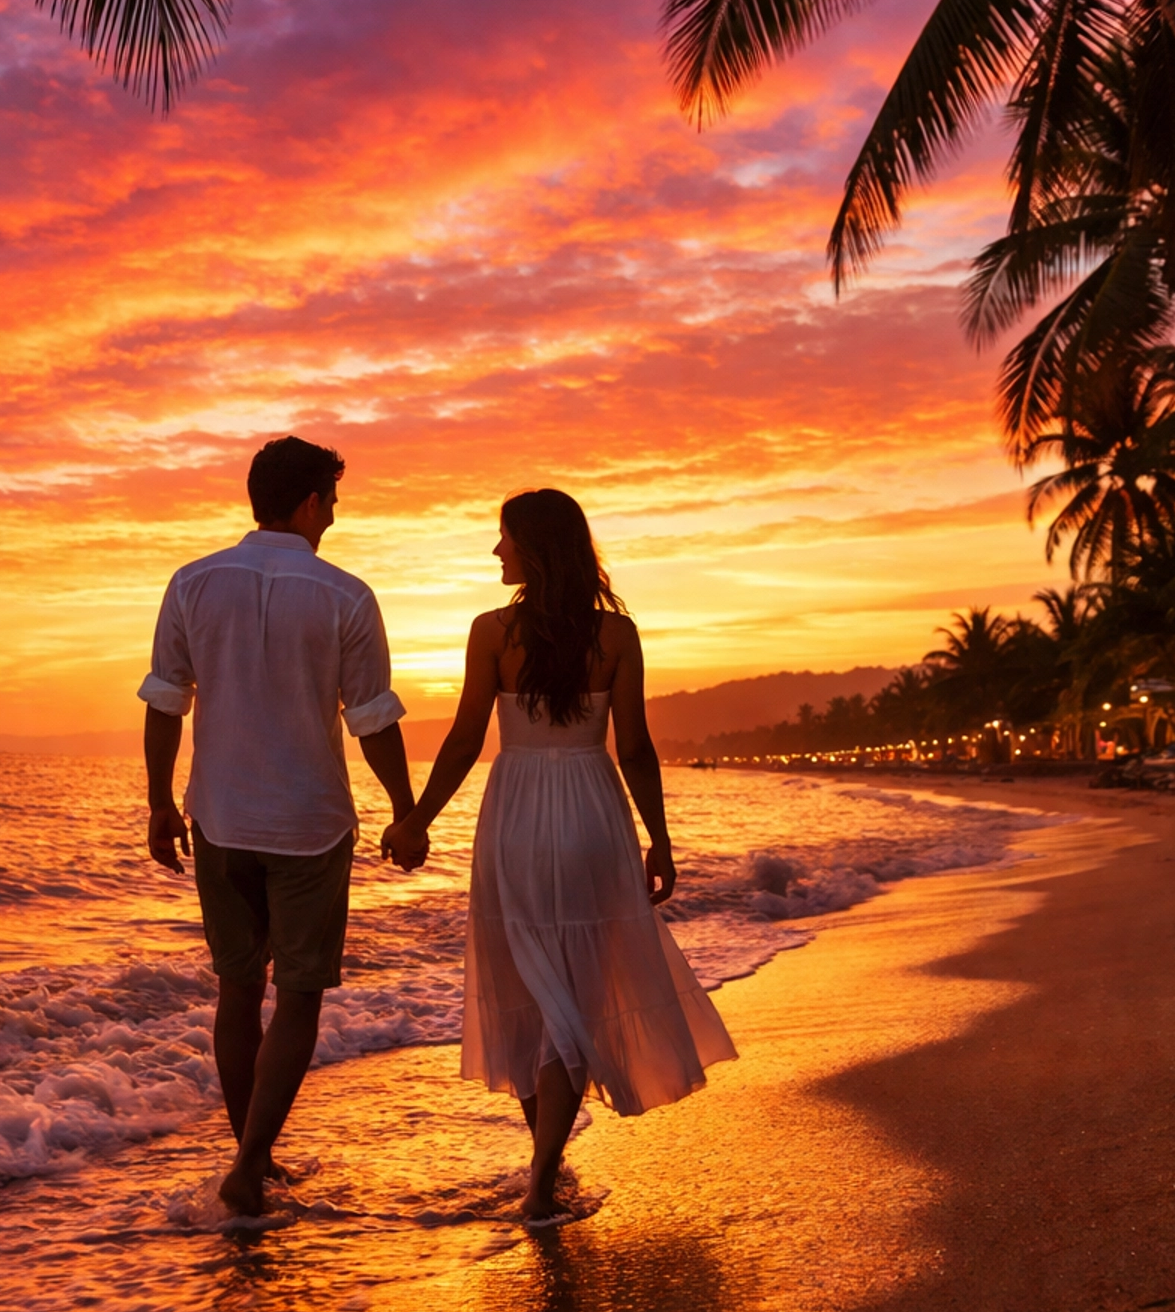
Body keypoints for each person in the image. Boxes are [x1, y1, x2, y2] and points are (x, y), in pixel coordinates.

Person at [383, 489, 735, 1222]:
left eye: (505, 537)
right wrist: (659, 838)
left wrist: (418, 820)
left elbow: (464, 739)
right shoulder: (616, 635)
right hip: (592, 815)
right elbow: (634, 747)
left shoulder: (490, 632)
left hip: (514, 816)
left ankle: (542, 1169)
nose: (496, 551)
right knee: (572, 993)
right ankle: (547, 1163)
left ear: (536, 548)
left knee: (532, 992)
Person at [141, 436, 426, 1218]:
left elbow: (165, 700)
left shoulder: (193, 582)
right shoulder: (345, 596)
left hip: (221, 817)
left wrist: (159, 801)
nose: (333, 516)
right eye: (330, 501)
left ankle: (253, 1159)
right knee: (298, 996)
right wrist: (404, 809)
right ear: (308, 503)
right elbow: (372, 718)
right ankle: (250, 1164)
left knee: (237, 990)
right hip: (310, 825)